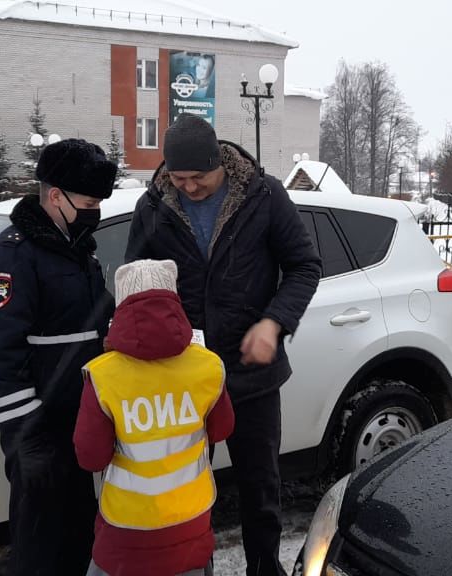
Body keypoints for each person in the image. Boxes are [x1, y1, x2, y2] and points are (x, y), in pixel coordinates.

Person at [125, 115, 321, 576]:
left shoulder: (264, 196)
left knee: (260, 487)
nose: (189, 187)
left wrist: (274, 322)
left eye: (199, 177)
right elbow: (136, 283)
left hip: (251, 375)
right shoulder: (153, 207)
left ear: (220, 164)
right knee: (184, 490)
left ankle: (263, 568)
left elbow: (304, 266)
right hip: (183, 377)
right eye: (179, 178)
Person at [0, 138, 118, 576]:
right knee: (39, 543)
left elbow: (91, 325)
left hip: (77, 421)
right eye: (89, 202)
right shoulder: (14, 256)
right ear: (55, 196)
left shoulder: (76, 248)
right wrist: (28, 435)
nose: (95, 211)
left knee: (77, 533)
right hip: (39, 429)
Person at [74, 259, 235, 576]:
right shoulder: (208, 366)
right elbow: (223, 429)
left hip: (124, 537)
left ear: (121, 308)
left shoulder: (103, 375)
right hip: (191, 531)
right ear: (174, 301)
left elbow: (90, 457)